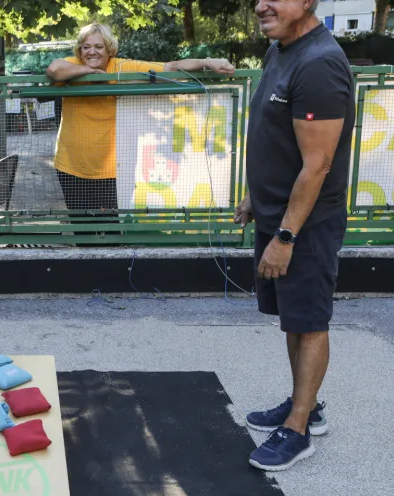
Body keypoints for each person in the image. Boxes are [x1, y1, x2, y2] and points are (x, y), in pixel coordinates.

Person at [236, 0, 354, 471]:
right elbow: (275, 136)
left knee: (309, 322)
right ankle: (305, 404)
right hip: (277, 214)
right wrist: (255, 197)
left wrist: (285, 236)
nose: (261, 4)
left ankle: (299, 428)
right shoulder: (281, 48)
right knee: (293, 317)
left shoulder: (320, 63)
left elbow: (318, 163)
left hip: (305, 224)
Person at [45, 23, 235, 211]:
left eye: (98, 46)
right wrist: (90, 72)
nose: (91, 52)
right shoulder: (73, 65)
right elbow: (53, 70)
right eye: (86, 47)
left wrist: (206, 62)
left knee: (111, 233)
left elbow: (170, 67)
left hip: (113, 169)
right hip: (71, 166)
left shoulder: (122, 66)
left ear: (109, 49)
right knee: (82, 232)